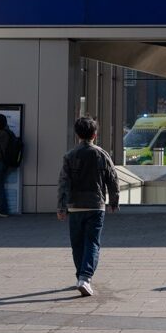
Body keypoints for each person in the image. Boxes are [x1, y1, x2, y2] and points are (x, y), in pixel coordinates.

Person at [56, 116, 119, 297]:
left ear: (77, 135)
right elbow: (112, 179)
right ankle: (85, 277)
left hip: (74, 206)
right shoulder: (101, 154)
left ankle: (80, 276)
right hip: (95, 205)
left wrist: (61, 207)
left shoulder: (69, 156)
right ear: (95, 134)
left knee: (77, 243)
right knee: (92, 242)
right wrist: (114, 200)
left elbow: (63, 183)